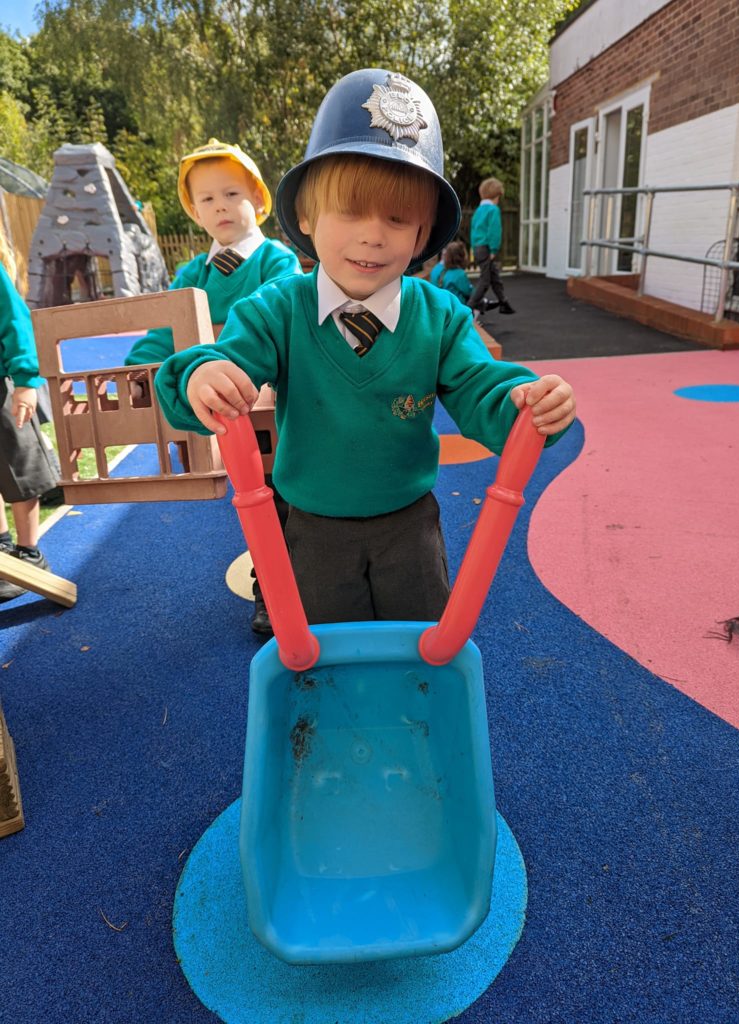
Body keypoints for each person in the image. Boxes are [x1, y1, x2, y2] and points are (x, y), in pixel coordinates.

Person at [155, 69, 575, 626]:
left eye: (399, 218)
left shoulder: (440, 317)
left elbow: (481, 388)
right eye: (351, 211)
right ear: (306, 216)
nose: (374, 235)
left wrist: (526, 403)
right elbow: (221, 361)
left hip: (409, 526)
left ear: (424, 233)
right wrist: (201, 377)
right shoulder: (278, 309)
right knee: (320, 652)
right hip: (311, 526)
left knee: (419, 643)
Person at [125, 139, 303, 636]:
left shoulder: (274, 261)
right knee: (250, 500)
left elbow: (271, 322)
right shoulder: (192, 273)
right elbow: (163, 332)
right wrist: (138, 371)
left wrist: (210, 343)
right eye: (206, 199)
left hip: (266, 404)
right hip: (219, 409)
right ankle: (271, 575)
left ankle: (278, 590)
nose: (220, 205)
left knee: (282, 493)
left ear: (258, 201)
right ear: (195, 212)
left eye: (231, 193)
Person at [0, 236, 59, 602]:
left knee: (21, 470)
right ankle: (4, 547)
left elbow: (15, 322)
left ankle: (30, 551)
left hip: (4, 390)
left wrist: (25, 381)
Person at [467, 177, 516, 316]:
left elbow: (473, 230)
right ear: (497, 195)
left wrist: (473, 246)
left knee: (494, 276)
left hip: (477, 247)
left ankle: (503, 303)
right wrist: (494, 249)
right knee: (485, 279)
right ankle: (468, 308)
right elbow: (494, 231)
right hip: (486, 247)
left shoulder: (478, 210)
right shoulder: (493, 210)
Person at [429, 240, 498, 317]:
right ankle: (483, 305)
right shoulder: (459, 274)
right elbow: (469, 292)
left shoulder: (439, 269)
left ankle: (484, 304)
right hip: (455, 310)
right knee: (474, 298)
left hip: (440, 306)